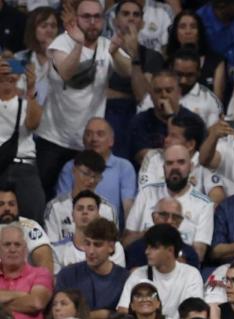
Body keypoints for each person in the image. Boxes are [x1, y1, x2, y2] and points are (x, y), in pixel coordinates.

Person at [35, 0, 135, 200]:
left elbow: (128, 71)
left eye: (97, 17)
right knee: (44, 198)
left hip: (88, 142)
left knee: (85, 199)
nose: (92, 22)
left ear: (103, 20)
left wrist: (115, 53)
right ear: (76, 19)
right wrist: (79, 44)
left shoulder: (107, 46)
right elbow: (66, 73)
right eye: (86, 16)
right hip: (53, 138)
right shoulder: (61, 43)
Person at [124, 144, 214, 261]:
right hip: (142, 263)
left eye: (181, 162)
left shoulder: (204, 205)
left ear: (191, 167)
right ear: (163, 168)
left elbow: (198, 255)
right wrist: (154, 233)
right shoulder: (146, 193)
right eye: (169, 163)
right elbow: (126, 242)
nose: (175, 168)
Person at [116, 224, 204, 319]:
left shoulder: (191, 275)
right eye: (147, 247)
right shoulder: (138, 274)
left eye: (153, 247)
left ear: (170, 250)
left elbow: (194, 314)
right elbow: (123, 310)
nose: (146, 252)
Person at [0, 58, 44, 224]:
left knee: (33, 219)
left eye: (10, 77)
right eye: (2, 77)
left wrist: (31, 88)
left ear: (17, 78)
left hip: (25, 167)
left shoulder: (26, 103)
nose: (6, 82)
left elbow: (33, 124)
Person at [43, 150, 118, 242]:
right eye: (86, 174)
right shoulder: (55, 207)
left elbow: (112, 246)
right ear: (74, 171)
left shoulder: (108, 209)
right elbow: (51, 246)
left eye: (96, 176)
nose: (91, 181)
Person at [0, 224, 53, 319]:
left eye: (17, 245)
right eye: (7, 244)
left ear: (25, 249)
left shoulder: (41, 273)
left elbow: (36, 303)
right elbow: (30, 300)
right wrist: (22, 295)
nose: (12, 249)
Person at [166, 10, 227, 101]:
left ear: (199, 32)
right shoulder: (167, 61)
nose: (188, 31)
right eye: (182, 27)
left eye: (193, 27)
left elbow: (217, 100)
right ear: (175, 32)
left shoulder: (216, 61)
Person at [0, 185, 53, 273]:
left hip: (27, 284)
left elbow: (44, 259)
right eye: (1, 204)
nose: (7, 208)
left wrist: (43, 283)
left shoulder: (29, 226)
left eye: (11, 204)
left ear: (18, 207)